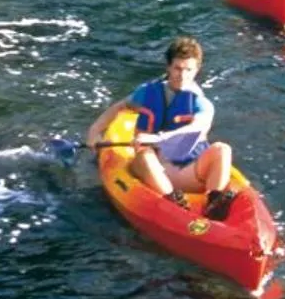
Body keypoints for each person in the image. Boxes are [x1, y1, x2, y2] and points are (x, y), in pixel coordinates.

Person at [86, 35, 236, 214]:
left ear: (197, 70)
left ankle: (214, 201)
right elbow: (120, 107)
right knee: (144, 156)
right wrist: (94, 131)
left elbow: (195, 128)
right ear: (169, 67)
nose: (182, 75)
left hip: (188, 170)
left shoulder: (201, 104)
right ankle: (173, 203)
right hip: (154, 171)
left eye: (188, 70)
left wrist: (157, 138)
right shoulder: (148, 92)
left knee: (222, 149)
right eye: (177, 68)